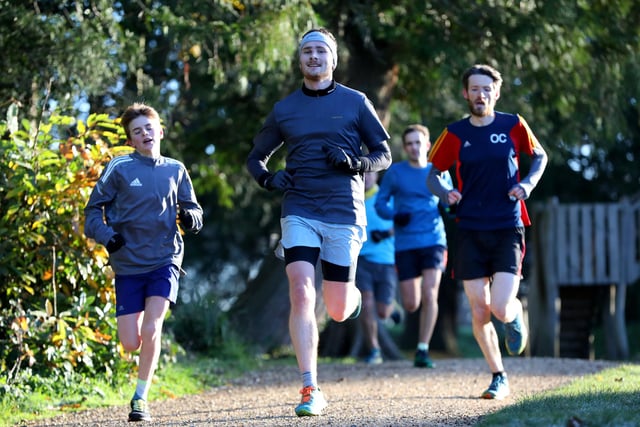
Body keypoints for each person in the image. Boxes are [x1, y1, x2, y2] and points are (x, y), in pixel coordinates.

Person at [246, 28, 391, 416]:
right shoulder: (285, 109)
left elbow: (383, 154)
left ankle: (353, 297)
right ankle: (310, 387)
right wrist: (269, 178)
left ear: (333, 60)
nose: (313, 57)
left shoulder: (356, 102)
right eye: (307, 51)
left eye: (320, 51)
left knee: (339, 307)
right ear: (300, 60)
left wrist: (357, 164)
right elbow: (255, 158)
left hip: (344, 210)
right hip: (299, 208)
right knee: (301, 291)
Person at [426, 64, 548, 400]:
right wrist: (444, 192)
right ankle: (498, 375)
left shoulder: (514, 125)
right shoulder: (454, 133)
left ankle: (514, 315)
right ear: (465, 93)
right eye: (474, 89)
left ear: (496, 92)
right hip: (468, 228)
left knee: (499, 306)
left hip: (508, 225)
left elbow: (540, 156)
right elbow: (433, 173)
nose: (481, 95)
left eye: (487, 89)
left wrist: (527, 183)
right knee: (479, 309)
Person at [84, 103, 203, 422]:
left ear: (160, 131)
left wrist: (192, 218)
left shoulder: (176, 169)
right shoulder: (119, 167)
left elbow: (194, 209)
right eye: (137, 131)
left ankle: (140, 398)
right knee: (129, 342)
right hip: (128, 264)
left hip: (165, 259)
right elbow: (92, 212)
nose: (145, 134)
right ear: (131, 140)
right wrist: (107, 236)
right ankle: (139, 378)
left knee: (152, 328)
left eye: (149, 128)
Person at [375, 124, 450, 369]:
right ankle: (399, 309)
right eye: (410, 143)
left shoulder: (438, 172)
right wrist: (395, 215)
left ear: (427, 145)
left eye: (418, 142)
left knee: (431, 293)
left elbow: (450, 199)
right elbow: (380, 204)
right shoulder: (396, 173)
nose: (414, 147)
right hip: (406, 243)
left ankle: (422, 349)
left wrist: (448, 205)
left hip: (433, 240)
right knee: (411, 303)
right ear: (404, 147)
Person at [356, 171, 397, 365]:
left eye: (370, 174)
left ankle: (393, 309)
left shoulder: (387, 198)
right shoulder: (351, 198)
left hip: (385, 260)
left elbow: (404, 222)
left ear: (377, 176)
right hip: (361, 259)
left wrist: (386, 233)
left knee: (383, 312)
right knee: (367, 302)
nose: (366, 178)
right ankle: (374, 349)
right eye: (362, 174)